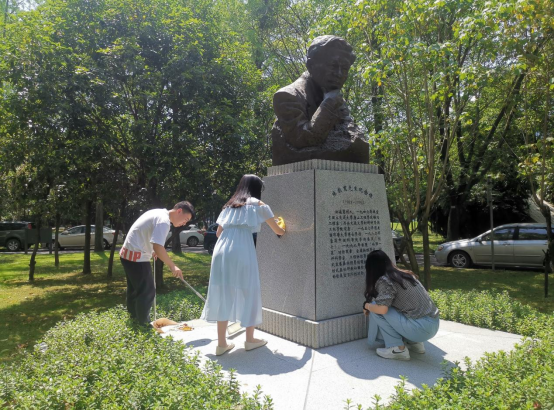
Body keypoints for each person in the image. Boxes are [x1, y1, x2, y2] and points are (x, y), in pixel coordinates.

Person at [201, 175, 286, 356]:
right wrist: (282, 224)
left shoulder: (228, 206)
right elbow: (278, 230)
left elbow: (218, 233)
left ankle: (222, 344)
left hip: (221, 250)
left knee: (223, 291)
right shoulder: (259, 205)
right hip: (242, 249)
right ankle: (250, 339)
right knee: (250, 290)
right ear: (257, 189)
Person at [120, 201, 195, 326]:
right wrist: (172, 266)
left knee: (135, 290)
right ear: (179, 211)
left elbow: (148, 236)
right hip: (137, 257)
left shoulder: (159, 213)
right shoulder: (163, 221)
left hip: (128, 254)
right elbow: (158, 247)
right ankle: (143, 325)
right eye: (185, 219)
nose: (184, 223)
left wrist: (152, 250)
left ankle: (134, 320)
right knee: (147, 292)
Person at [363, 250, 440, 361]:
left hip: (420, 329)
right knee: (397, 307)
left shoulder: (385, 280)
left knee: (376, 307)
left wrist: (367, 306)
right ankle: (415, 344)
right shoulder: (405, 274)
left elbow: (382, 309)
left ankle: (397, 349)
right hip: (434, 324)